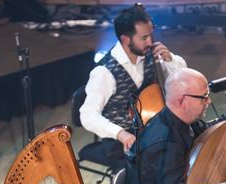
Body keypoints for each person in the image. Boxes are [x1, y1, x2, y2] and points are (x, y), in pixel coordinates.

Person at [124, 68, 226, 184]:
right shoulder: (165, 142)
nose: (209, 101)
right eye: (204, 97)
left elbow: (211, 130)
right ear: (182, 101)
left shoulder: (181, 120)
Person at [79, 4, 186, 172]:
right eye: (144, 38)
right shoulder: (104, 72)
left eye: (150, 34)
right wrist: (120, 134)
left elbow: (181, 78)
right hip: (120, 139)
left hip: (151, 129)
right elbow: (87, 116)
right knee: (148, 167)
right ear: (125, 39)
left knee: (182, 147)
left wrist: (170, 60)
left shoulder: (152, 54)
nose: (150, 41)